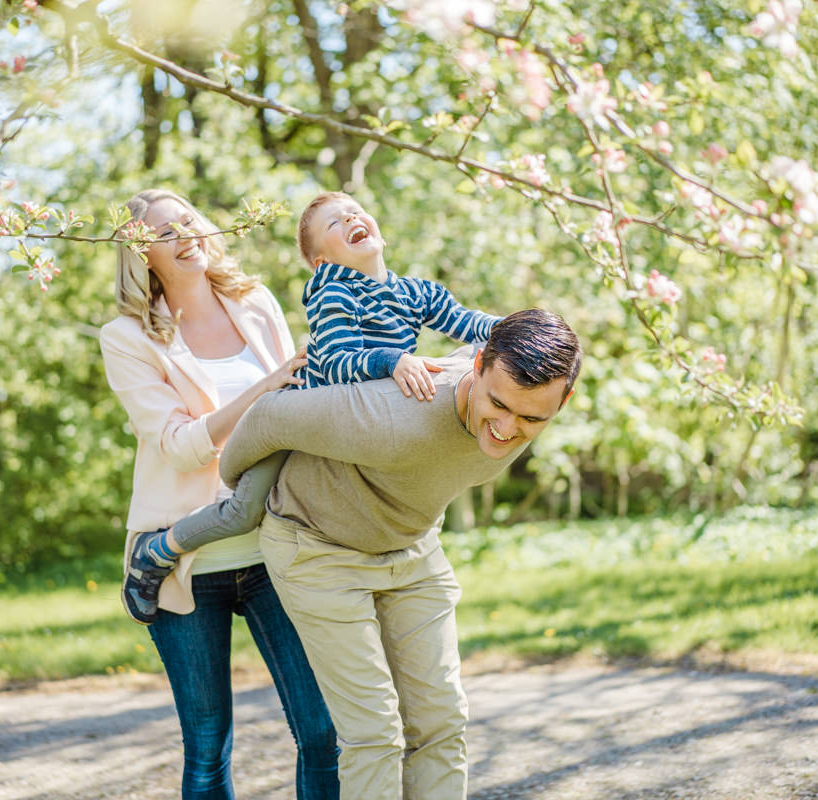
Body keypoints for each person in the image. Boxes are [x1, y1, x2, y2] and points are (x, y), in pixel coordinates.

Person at [219, 308, 582, 799]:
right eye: (497, 404)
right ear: (478, 366)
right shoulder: (391, 414)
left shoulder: (518, 398)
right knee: (374, 732)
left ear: (563, 400)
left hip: (410, 545)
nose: (506, 427)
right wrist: (238, 493)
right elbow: (269, 417)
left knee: (441, 721)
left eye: (531, 418)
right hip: (318, 548)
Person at [123, 191, 501, 611]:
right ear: (322, 261)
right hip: (295, 425)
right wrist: (392, 360)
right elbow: (338, 364)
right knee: (243, 511)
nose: (351, 219)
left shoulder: (416, 292)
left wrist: (520, 328)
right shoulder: (333, 293)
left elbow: (466, 321)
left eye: (355, 212)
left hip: (345, 426)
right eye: (335, 223)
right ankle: (158, 548)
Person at [99, 189, 339, 800]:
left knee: (322, 732)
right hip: (183, 561)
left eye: (189, 221)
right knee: (208, 748)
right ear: (141, 256)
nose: (185, 235)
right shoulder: (127, 337)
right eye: (165, 233)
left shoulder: (254, 303)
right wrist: (267, 387)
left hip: (275, 550)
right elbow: (181, 446)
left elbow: (298, 405)